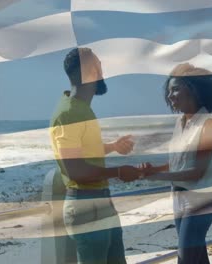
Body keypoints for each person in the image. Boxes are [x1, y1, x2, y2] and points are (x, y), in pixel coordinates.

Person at [49, 47, 142, 264]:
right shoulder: (69, 113)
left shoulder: (82, 110)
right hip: (85, 204)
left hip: (100, 201)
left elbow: (84, 151)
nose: (101, 72)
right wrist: (119, 171)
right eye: (97, 66)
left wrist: (112, 146)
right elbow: (76, 170)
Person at [124, 63, 212, 264]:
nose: (170, 96)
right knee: (198, 259)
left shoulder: (208, 124)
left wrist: (155, 176)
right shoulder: (181, 122)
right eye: (169, 91)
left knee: (185, 260)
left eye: (176, 89)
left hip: (199, 201)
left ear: (194, 89)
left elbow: (197, 172)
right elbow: (177, 162)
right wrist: (154, 169)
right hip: (178, 198)